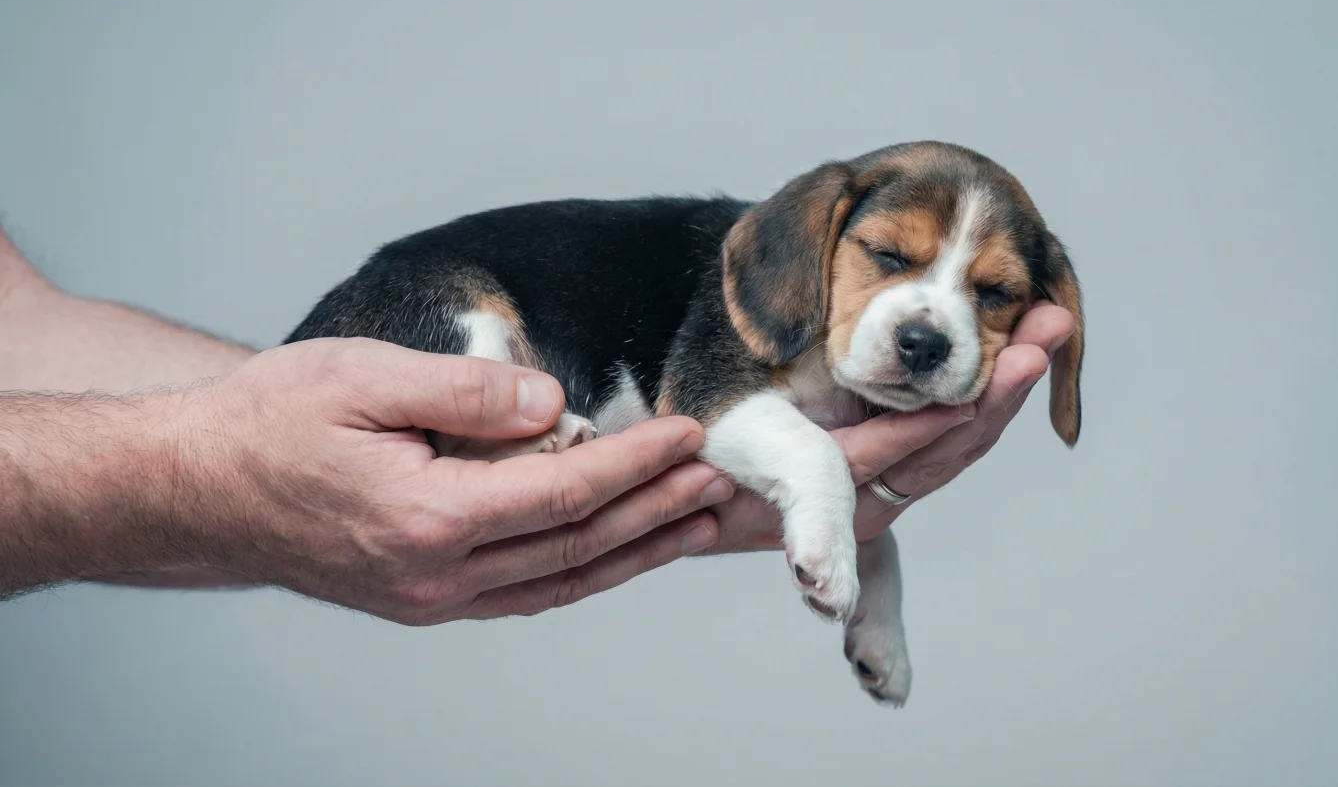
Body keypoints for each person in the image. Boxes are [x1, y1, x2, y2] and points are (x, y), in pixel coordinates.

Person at [0, 227, 1075, 625]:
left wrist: (242, 460)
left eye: (987, 294)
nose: (931, 318)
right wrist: (218, 469)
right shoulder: (769, 299)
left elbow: (20, 326)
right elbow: (712, 411)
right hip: (449, 293)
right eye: (889, 258)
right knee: (814, 471)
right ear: (815, 241)